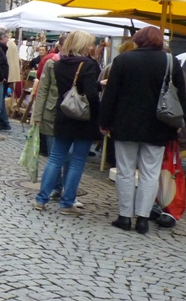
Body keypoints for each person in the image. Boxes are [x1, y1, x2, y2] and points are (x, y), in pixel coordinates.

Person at [99, 26, 186, 234]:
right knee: (150, 173)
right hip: (158, 126)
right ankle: (143, 219)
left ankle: (125, 216)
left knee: (126, 172)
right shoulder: (170, 62)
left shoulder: (123, 60)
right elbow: (182, 95)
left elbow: (111, 96)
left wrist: (104, 122)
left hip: (125, 124)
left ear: (138, 40)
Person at [31, 31, 102, 215]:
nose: (91, 47)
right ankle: (67, 202)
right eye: (89, 44)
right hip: (83, 119)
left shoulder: (59, 63)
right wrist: (98, 115)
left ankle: (41, 199)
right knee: (77, 162)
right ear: (82, 45)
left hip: (63, 115)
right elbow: (91, 94)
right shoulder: (88, 65)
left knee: (55, 159)